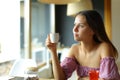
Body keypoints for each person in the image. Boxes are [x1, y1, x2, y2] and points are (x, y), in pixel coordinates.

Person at [45, 10, 120, 80]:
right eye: (75, 25)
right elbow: (60, 78)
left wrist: (83, 78)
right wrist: (53, 51)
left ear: (93, 30)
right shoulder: (75, 49)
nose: (74, 29)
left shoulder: (104, 47)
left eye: (81, 26)